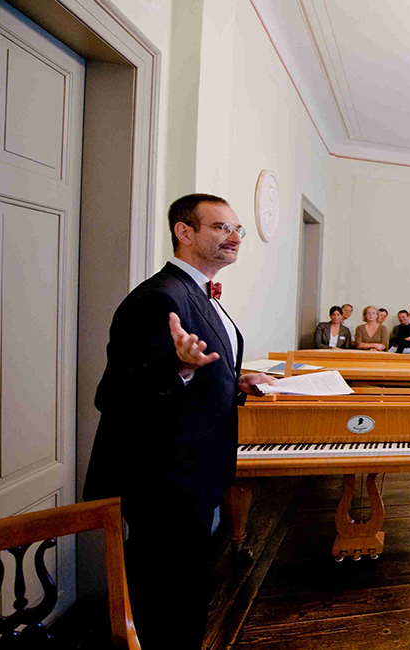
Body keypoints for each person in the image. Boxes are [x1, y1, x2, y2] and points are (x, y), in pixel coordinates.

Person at [83, 193, 275, 650]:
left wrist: (234, 377)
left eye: (237, 230)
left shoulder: (199, 291)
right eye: (220, 228)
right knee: (165, 603)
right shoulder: (160, 297)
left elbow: (202, 362)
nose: (233, 238)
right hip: (164, 481)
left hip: (196, 472)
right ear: (184, 232)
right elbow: (113, 394)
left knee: (188, 593)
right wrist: (180, 368)